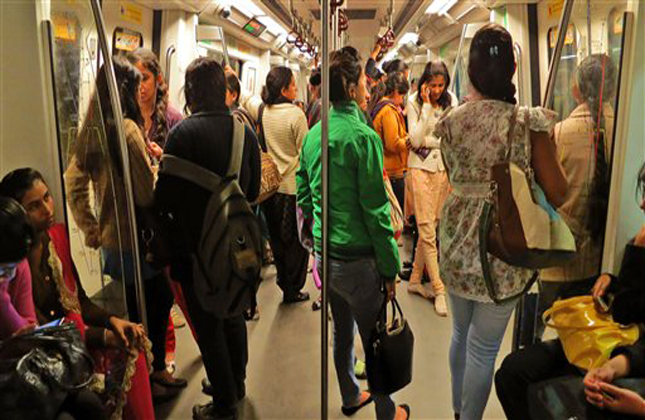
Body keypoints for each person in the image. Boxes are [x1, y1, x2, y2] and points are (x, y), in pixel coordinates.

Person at [433, 23, 567, 420]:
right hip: (503, 246)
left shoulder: (452, 122)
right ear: (511, 70)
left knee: (460, 334)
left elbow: (454, 176)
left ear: (470, 72)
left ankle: (458, 409)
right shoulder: (528, 123)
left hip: (456, 241)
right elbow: (558, 192)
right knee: (484, 347)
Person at [297, 46, 410, 420]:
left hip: (328, 259)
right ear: (349, 87)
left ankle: (349, 394)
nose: (368, 87)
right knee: (373, 341)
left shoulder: (314, 136)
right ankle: (386, 412)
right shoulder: (363, 138)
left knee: (341, 334)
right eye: (363, 81)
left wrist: (316, 237)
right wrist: (391, 266)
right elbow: (376, 212)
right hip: (361, 262)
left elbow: (304, 192)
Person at [64, 55, 185, 400]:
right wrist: (156, 164)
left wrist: (91, 228)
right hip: (137, 239)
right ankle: (149, 377)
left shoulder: (94, 127)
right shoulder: (129, 129)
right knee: (152, 305)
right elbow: (147, 192)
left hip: (112, 241)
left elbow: (73, 181)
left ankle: (152, 372)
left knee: (137, 306)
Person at [0, 168, 156, 419]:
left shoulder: (56, 240)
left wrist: (112, 321)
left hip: (69, 340)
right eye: (34, 206)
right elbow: (39, 332)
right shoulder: (16, 265)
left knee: (131, 348)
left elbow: (79, 300)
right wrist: (103, 336)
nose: (47, 210)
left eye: (47, 198)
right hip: (51, 352)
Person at [154, 57, 261, 420]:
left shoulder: (181, 135)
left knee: (209, 323)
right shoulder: (243, 131)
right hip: (237, 245)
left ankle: (224, 402)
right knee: (233, 313)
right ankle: (237, 383)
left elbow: (165, 199)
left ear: (192, 92)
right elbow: (252, 186)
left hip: (195, 249)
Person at [495, 162, 645, 420]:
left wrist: (638, 250)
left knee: (576, 400)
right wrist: (610, 279)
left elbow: (627, 308)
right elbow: (629, 297)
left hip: (628, 349)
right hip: (608, 339)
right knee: (513, 371)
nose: (641, 205)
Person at [0, 195, 106, 420]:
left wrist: (20, 338)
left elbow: (29, 324)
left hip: (20, 369)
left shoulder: (18, 267)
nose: (9, 274)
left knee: (90, 404)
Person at [126, 46, 196, 376]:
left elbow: (183, 172)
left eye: (146, 78)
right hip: (137, 217)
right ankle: (153, 364)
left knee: (173, 293)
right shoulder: (124, 119)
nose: (141, 86)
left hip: (166, 217)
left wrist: (162, 155)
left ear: (158, 80)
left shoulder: (173, 121)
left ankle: (176, 358)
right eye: (135, 78)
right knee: (149, 296)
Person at [536, 53, 618, 337]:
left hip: (563, 258)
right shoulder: (622, 127)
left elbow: (546, 190)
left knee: (555, 330)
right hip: (605, 262)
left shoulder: (559, 132)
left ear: (577, 89)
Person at [239, 66, 311, 304]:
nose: (296, 88)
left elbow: (246, 99)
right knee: (297, 244)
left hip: (270, 189)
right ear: (284, 89)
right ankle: (294, 287)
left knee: (278, 241)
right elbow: (306, 152)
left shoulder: (264, 111)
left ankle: (284, 284)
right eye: (293, 84)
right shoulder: (296, 115)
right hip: (292, 188)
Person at [404, 60, 456, 316]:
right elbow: (414, 139)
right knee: (426, 229)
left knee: (433, 225)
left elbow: (451, 137)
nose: (437, 90)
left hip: (441, 170)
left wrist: (430, 142)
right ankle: (439, 288)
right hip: (420, 170)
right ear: (425, 83)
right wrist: (425, 108)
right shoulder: (413, 102)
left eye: (440, 85)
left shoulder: (451, 101)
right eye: (433, 85)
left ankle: (415, 280)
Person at [372, 71, 410, 212]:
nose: (402, 100)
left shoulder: (380, 106)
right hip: (392, 172)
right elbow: (393, 144)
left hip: (386, 168)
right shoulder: (388, 111)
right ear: (394, 92)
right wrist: (410, 142)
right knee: (395, 217)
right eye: (401, 95)